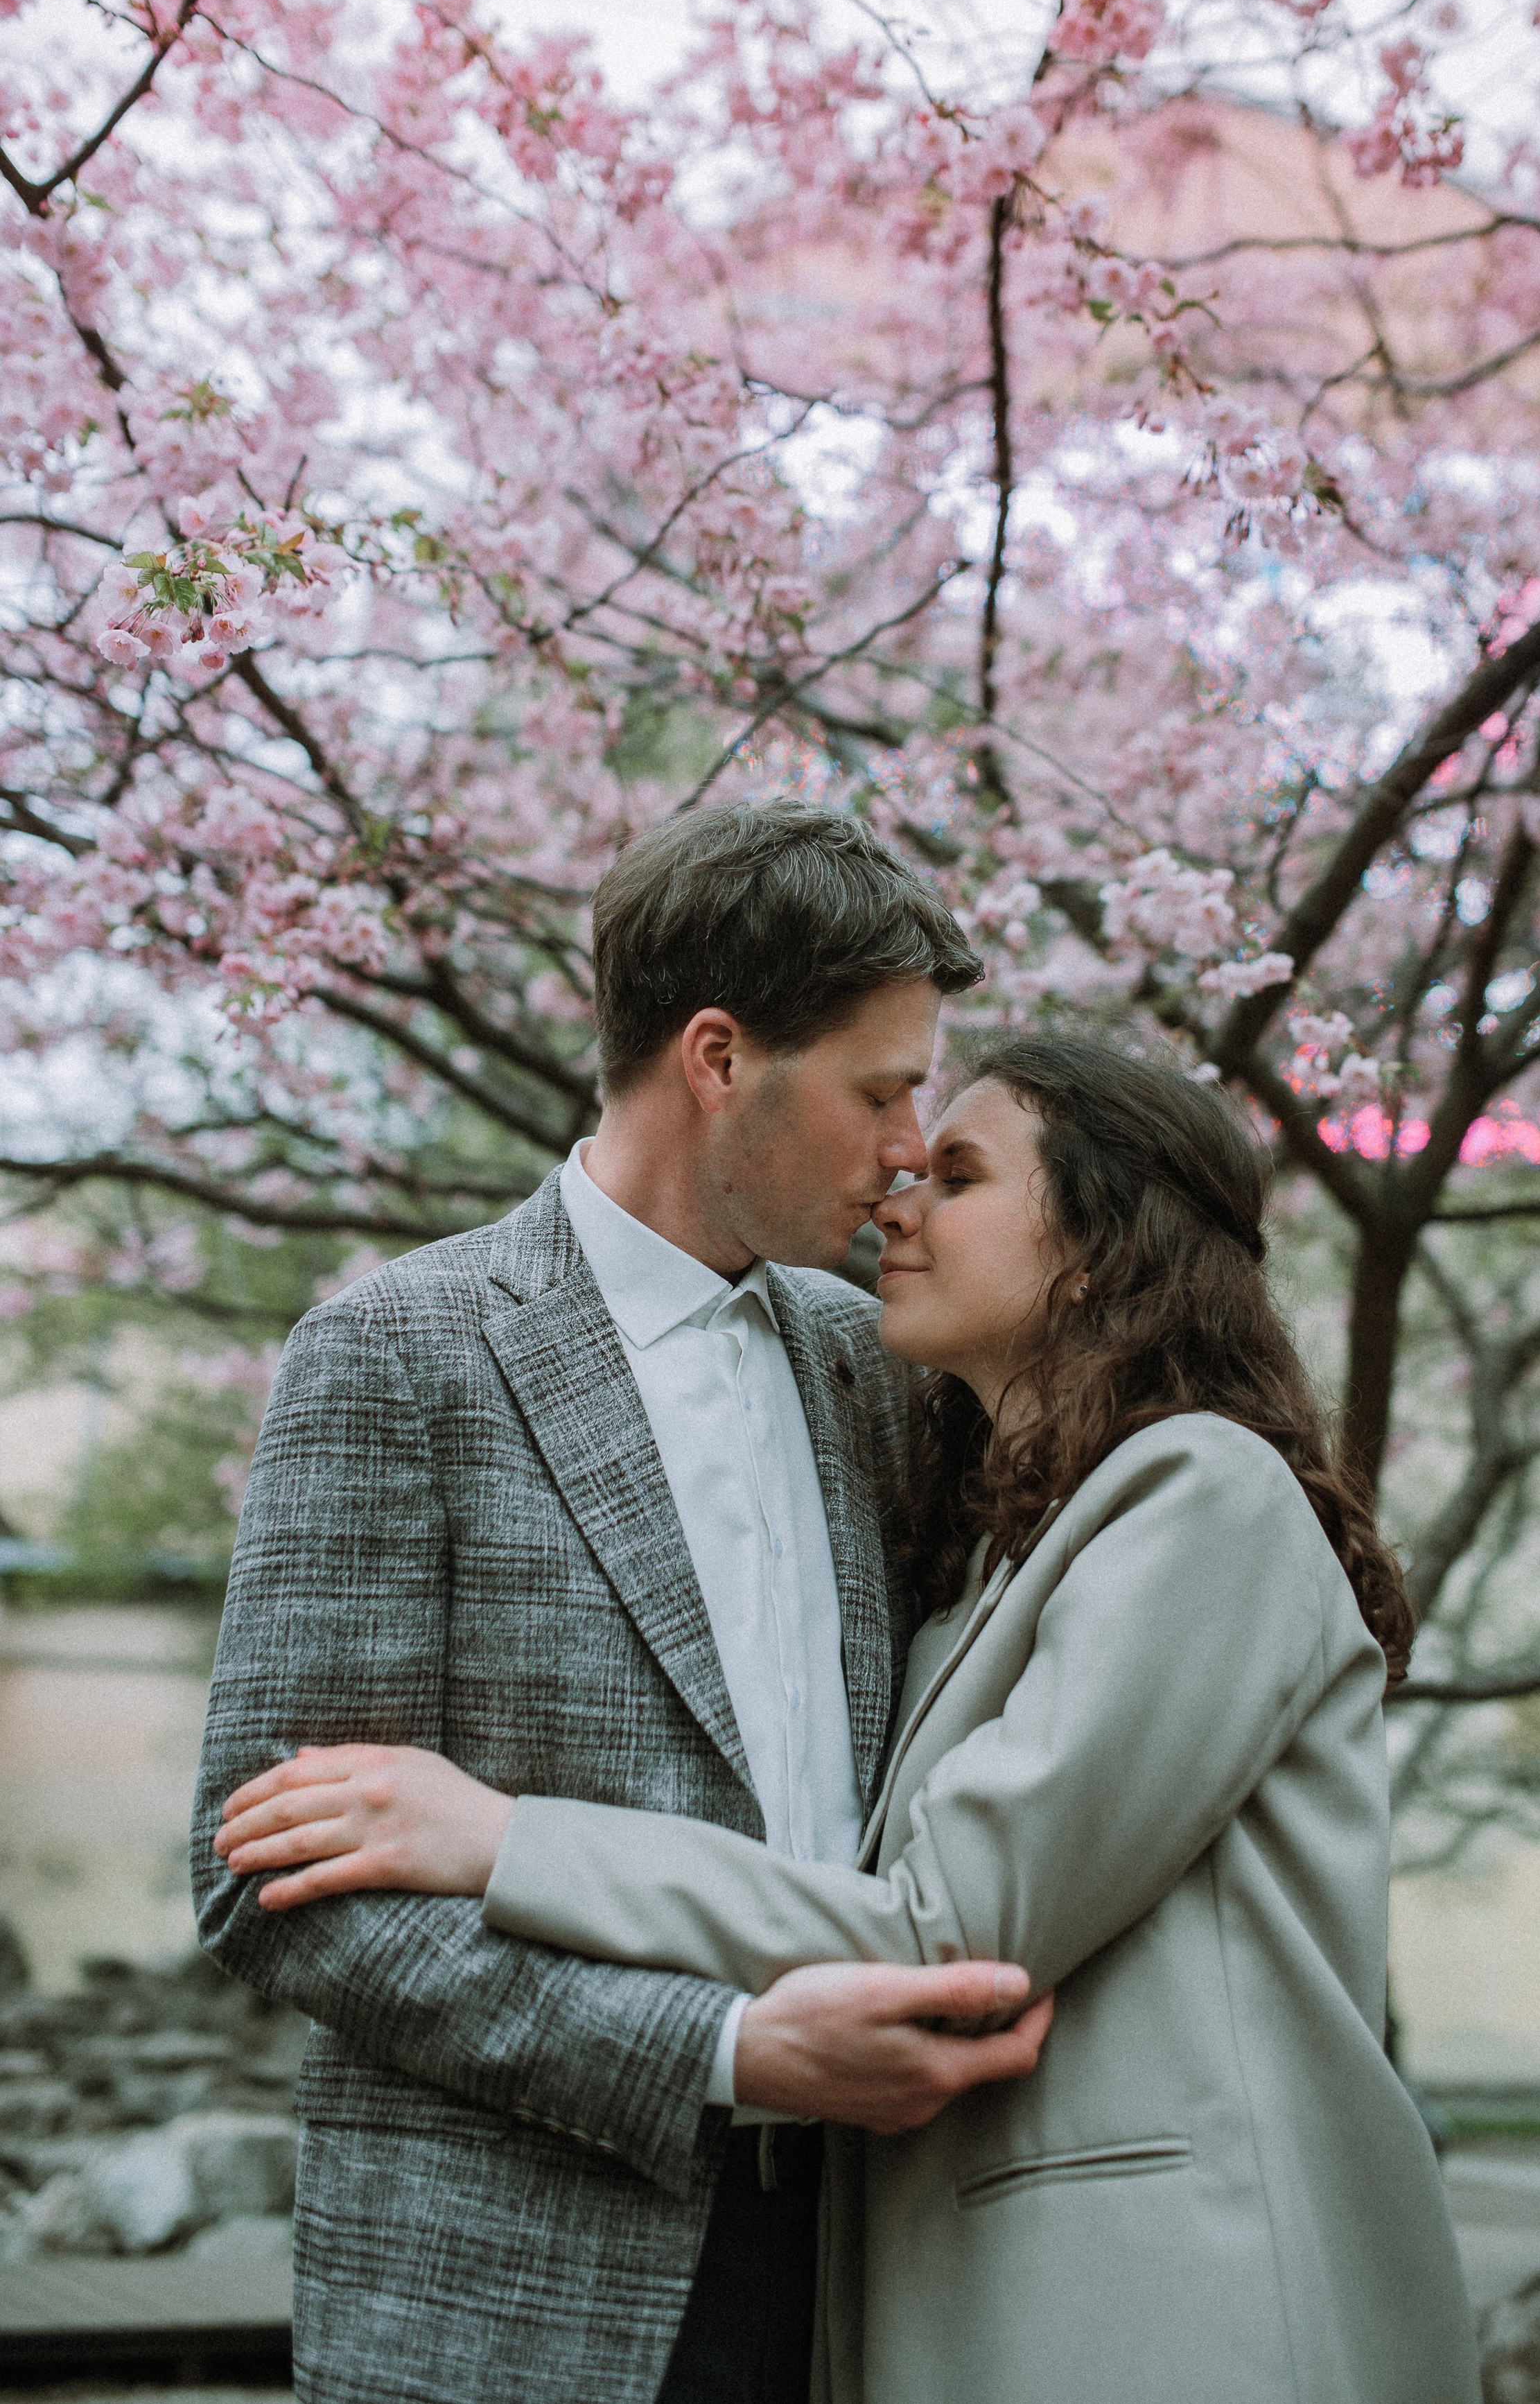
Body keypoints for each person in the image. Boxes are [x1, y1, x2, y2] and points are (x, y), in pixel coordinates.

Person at [217, 1035, 1483, 2404]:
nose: (897, 1200)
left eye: (958, 1174)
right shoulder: (988, 1551)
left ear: (1098, 1247)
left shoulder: (1205, 1496)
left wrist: (503, 1839)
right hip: (953, 2301)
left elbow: (946, 1932)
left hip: (1178, 2301)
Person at [190, 801, 1059, 2404]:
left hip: (873, 2269)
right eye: (878, 1090)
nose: (903, 1147)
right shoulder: (396, 1354)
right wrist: (720, 2053)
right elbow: (272, 1887)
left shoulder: (874, 1367)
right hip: (515, 2303)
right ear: (716, 1058)